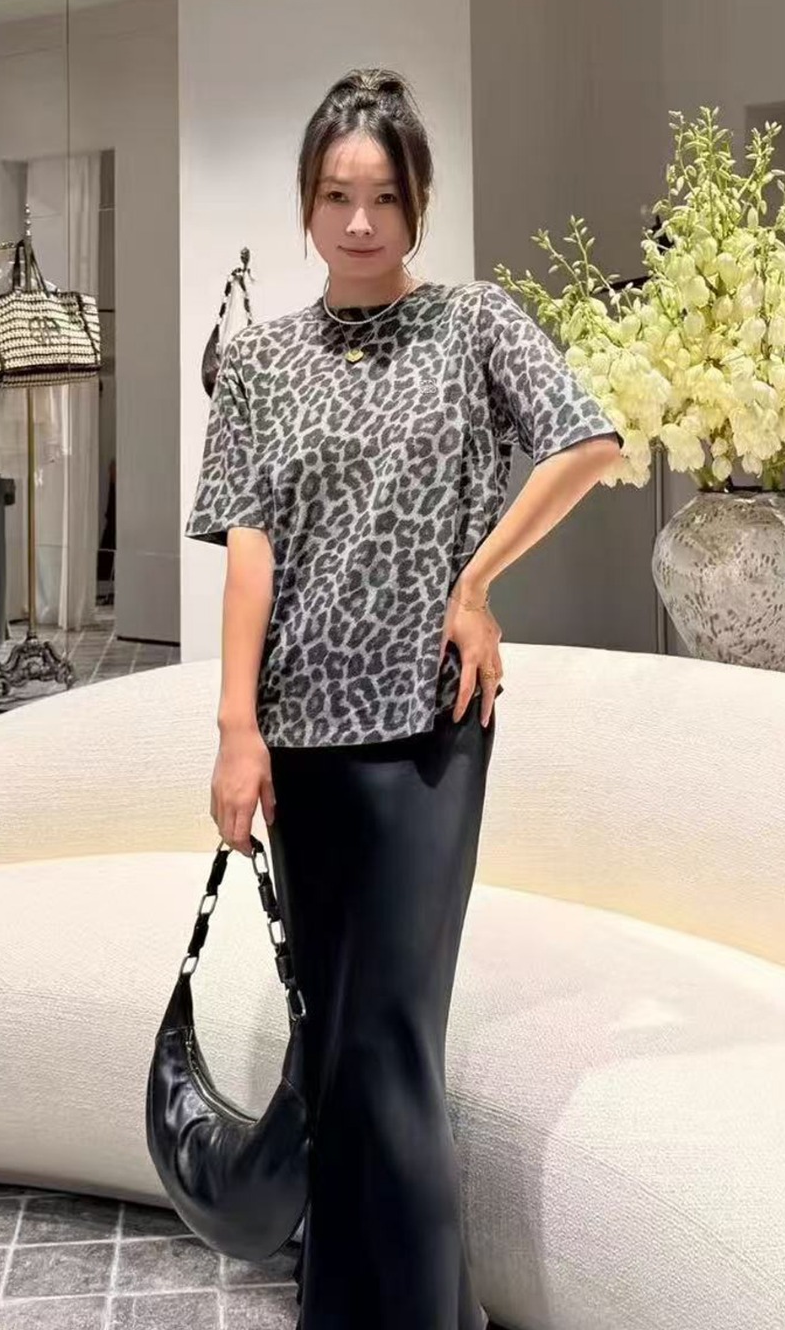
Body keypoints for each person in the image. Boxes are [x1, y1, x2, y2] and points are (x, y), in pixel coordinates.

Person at [185, 67, 625, 1330]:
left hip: (430, 731)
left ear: (419, 202)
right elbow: (252, 552)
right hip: (300, 740)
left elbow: (589, 441)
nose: (360, 222)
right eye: (337, 196)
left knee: (389, 1037)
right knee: (333, 1041)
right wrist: (236, 730)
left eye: (384, 197)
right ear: (307, 204)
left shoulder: (474, 325)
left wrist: (476, 580)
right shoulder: (260, 361)